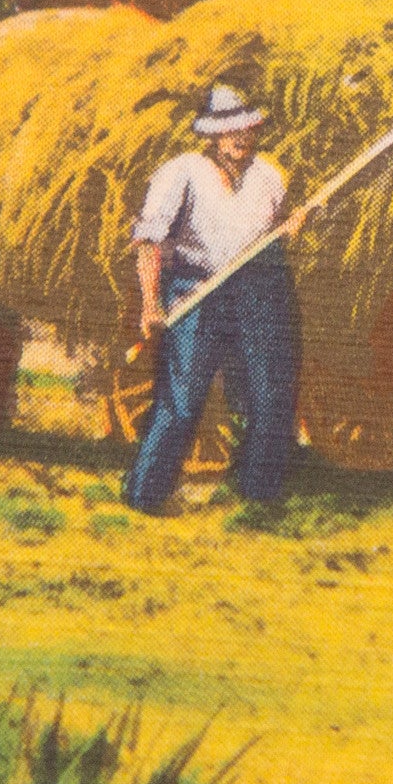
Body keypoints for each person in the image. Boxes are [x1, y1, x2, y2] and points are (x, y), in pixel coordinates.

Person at [124, 83, 315, 512]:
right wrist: (151, 303)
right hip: (196, 290)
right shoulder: (181, 173)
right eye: (231, 131)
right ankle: (146, 494)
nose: (241, 137)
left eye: (248, 128)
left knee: (271, 391)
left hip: (259, 288)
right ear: (212, 135)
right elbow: (150, 241)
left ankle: (258, 496)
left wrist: (294, 224)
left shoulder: (270, 176)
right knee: (184, 396)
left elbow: (280, 229)